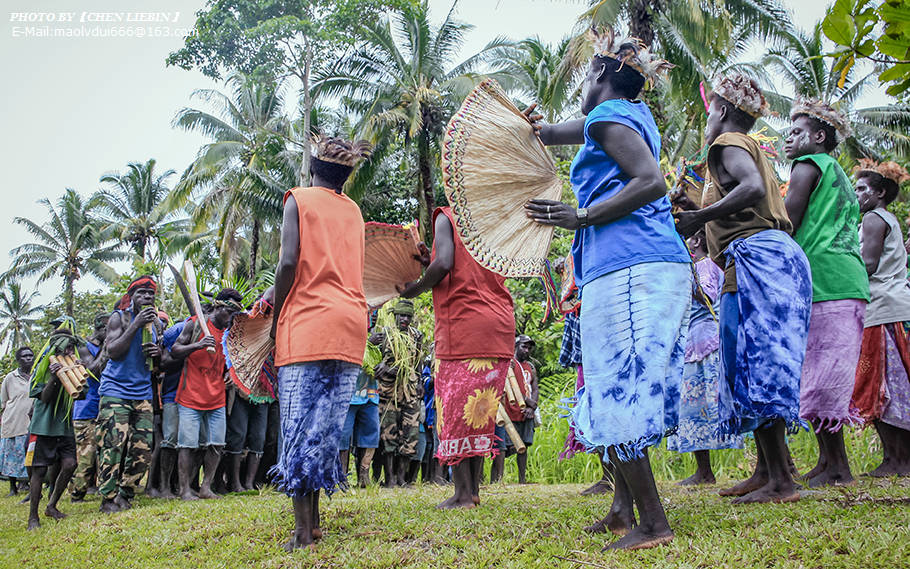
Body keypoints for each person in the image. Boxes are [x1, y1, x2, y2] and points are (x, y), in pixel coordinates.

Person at [524, 27, 689, 550]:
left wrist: (582, 215)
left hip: (632, 265)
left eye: (583, 73)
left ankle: (654, 523)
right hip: (631, 264)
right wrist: (531, 128)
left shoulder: (608, 117)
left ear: (599, 74)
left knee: (618, 387)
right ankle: (622, 508)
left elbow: (651, 181)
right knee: (605, 383)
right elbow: (552, 133)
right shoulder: (622, 118)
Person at [674, 74, 811, 504]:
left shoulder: (727, 143)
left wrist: (698, 218)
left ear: (722, 110)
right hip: (762, 257)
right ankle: (768, 470)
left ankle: (781, 483)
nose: (707, 119)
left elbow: (750, 188)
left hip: (758, 259)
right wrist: (700, 211)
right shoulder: (742, 147)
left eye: (709, 110)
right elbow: (744, 196)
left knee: (755, 363)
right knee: (749, 363)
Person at [269, 136, 372, 551]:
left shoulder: (298, 199)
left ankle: (302, 534)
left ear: (312, 166)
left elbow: (288, 261)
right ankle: (312, 525)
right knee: (324, 431)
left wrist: (277, 314)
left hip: (308, 322)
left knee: (298, 429)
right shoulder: (353, 210)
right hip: (349, 323)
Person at [398, 214, 515, 508]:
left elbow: (446, 264)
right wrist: (432, 262)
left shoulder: (448, 216)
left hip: (463, 325)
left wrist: (416, 288)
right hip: (498, 324)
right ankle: (473, 490)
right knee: (479, 412)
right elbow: (464, 266)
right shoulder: (492, 221)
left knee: (454, 411)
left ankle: (463, 494)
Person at [783, 99, 869, 487]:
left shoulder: (808, 166)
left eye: (798, 132)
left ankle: (838, 466)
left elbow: (788, 220)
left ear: (819, 137)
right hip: (842, 278)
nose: (789, 137)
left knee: (821, 373)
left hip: (826, 279)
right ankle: (828, 460)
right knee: (820, 369)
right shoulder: (837, 172)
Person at [666, 231, 743, 485]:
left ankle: (705, 472)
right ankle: (703, 472)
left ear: (696, 241)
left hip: (705, 345)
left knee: (702, 407)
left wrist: (684, 272)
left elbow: (706, 296)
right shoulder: (702, 266)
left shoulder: (705, 265)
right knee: (694, 410)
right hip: (695, 343)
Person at [852, 159, 910, 477]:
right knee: (891, 383)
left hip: (884, 308)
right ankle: (895, 458)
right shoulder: (884, 218)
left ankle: (898, 460)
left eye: (863, 189)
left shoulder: (874, 218)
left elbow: (868, 264)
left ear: (880, 193)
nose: (857, 195)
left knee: (882, 383)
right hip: (892, 305)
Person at [96, 276, 164, 513]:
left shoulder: (156, 324)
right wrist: (135, 324)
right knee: (113, 444)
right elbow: (112, 351)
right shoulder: (119, 317)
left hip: (142, 391)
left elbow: (160, 362)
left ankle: (126, 493)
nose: (147, 297)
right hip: (115, 390)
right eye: (142, 293)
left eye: (150, 294)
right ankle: (107, 498)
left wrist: (157, 353)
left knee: (142, 448)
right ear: (131, 297)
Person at [171, 288, 242, 500]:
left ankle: (206, 487)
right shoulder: (195, 324)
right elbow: (174, 350)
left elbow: (231, 359)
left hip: (217, 396)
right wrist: (198, 345)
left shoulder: (230, 332)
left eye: (233, 315)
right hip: (190, 395)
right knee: (187, 444)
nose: (230, 318)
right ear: (218, 307)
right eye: (228, 313)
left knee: (217, 443)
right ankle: (184, 490)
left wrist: (230, 372)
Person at [26, 320, 89, 529]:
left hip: (65, 427)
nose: (71, 351)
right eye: (67, 348)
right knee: (39, 471)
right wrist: (54, 377)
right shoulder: (42, 368)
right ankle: (33, 517)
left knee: (70, 464)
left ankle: (51, 505)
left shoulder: (74, 364)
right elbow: (43, 398)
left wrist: (82, 374)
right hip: (43, 427)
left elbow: (81, 396)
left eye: (72, 348)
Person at [372, 299, 424, 487]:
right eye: (402, 315)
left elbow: (417, 361)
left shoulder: (416, 335)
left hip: (409, 390)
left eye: (408, 316)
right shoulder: (385, 334)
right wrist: (385, 368)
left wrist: (419, 382)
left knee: (410, 434)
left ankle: (402, 477)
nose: (405, 319)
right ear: (395, 316)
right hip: (388, 391)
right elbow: (374, 362)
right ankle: (390, 478)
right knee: (388, 435)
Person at [69, 313, 110, 502]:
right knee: (86, 454)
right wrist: (107, 348)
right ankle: (77, 492)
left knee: (104, 452)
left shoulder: (102, 346)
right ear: (101, 330)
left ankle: (103, 488)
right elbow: (92, 370)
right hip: (86, 408)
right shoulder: (84, 347)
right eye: (108, 330)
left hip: (103, 405)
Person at [491, 335, 538, 484]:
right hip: (509, 410)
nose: (527, 350)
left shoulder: (530, 366)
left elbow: (535, 387)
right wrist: (526, 401)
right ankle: (497, 479)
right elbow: (508, 385)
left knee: (524, 446)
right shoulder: (509, 363)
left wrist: (532, 406)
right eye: (524, 346)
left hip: (527, 412)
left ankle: (522, 480)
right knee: (504, 448)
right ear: (516, 346)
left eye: (529, 348)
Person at [339, 362, 380, 489]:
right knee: (343, 435)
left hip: (370, 394)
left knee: (372, 433)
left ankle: (363, 476)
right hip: (347, 393)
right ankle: (341, 476)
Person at [0, 347, 35, 496]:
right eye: (24, 356)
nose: (28, 358)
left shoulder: (37, 375)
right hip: (13, 421)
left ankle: (28, 485)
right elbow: (4, 400)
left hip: (31, 423)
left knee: (29, 455)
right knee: (11, 455)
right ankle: (13, 488)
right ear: (18, 360)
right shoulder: (10, 377)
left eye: (30, 356)